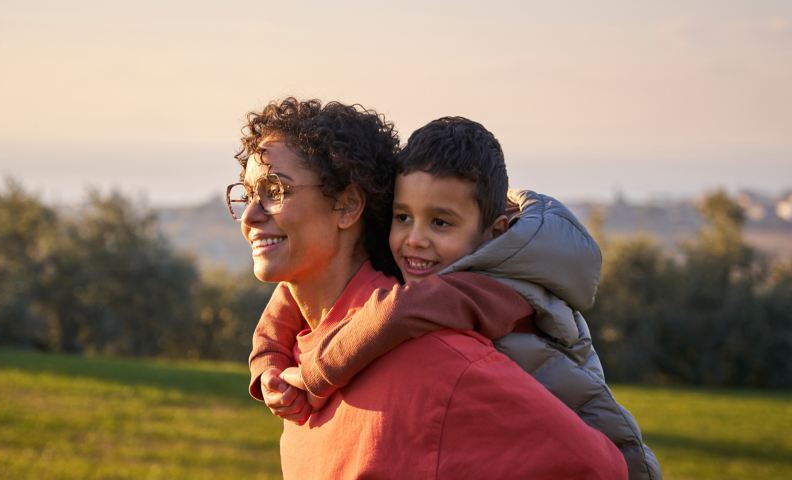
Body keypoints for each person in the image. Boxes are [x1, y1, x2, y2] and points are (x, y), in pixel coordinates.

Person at [234, 97, 627, 479]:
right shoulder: (295, 358)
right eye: (247, 194)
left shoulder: (433, 359)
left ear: (347, 206)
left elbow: (600, 467)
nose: (250, 216)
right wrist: (268, 360)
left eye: (274, 190)